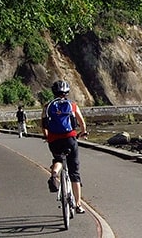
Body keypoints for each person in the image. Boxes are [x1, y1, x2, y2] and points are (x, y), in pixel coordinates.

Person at [41, 80, 88, 214]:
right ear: (67, 92)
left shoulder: (47, 106)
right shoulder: (72, 105)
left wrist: (46, 136)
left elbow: (44, 124)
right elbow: (81, 122)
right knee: (74, 172)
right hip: (70, 138)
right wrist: (83, 132)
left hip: (54, 140)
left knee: (58, 159)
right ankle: (78, 205)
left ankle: (55, 173)